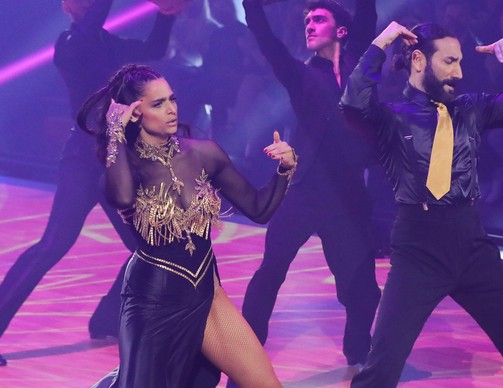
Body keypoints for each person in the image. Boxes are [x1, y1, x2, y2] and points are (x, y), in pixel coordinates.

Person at [340, 21, 503, 387]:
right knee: (378, 374)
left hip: (472, 246)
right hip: (418, 251)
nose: (458, 73)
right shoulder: (391, 117)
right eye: (449, 62)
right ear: (418, 60)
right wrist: (381, 42)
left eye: (460, 63)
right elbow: (352, 103)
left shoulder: (472, 109)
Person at [79, 63, 296, 387]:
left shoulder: (203, 153)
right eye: (158, 103)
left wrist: (285, 169)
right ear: (135, 114)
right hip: (152, 305)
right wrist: (115, 136)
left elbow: (259, 209)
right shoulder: (123, 169)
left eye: (172, 99)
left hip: (208, 297)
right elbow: (123, 198)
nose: (171, 110)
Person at [0, 0, 187, 367]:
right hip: (84, 160)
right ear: (69, 6)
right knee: (54, 244)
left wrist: (165, 16)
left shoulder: (107, 42)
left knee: (147, 247)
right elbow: (94, 21)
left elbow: (154, 51)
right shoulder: (70, 43)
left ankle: (106, 319)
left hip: (118, 159)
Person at [239, 0, 381, 368]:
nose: (310, 25)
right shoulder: (301, 75)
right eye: (307, 20)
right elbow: (266, 40)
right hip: (303, 192)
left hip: (348, 198)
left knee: (362, 289)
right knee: (271, 271)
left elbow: (367, 12)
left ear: (342, 30)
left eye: (319, 19)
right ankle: (246, 355)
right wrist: (251, 5)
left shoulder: (361, 65)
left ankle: (358, 350)